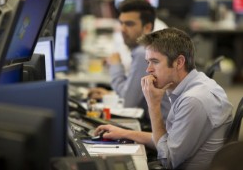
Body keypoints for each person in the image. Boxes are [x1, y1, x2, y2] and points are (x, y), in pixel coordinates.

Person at [94, 28, 233, 170]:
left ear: (179, 62)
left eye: (155, 61)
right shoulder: (196, 83)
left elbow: (168, 160)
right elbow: (167, 141)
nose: (148, 69)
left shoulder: (194, 100)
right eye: (148, 62)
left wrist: (153, 105)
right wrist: (124, 133)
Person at [88, 0, 170, 124]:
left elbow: (128, 102)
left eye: (129, 24)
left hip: (162, 131)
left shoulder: (145, 52)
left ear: (147, 27)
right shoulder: (151, 47)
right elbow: (135, 94)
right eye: (121, 23)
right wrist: (111, 95)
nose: (122, 29)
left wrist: (115, 66)